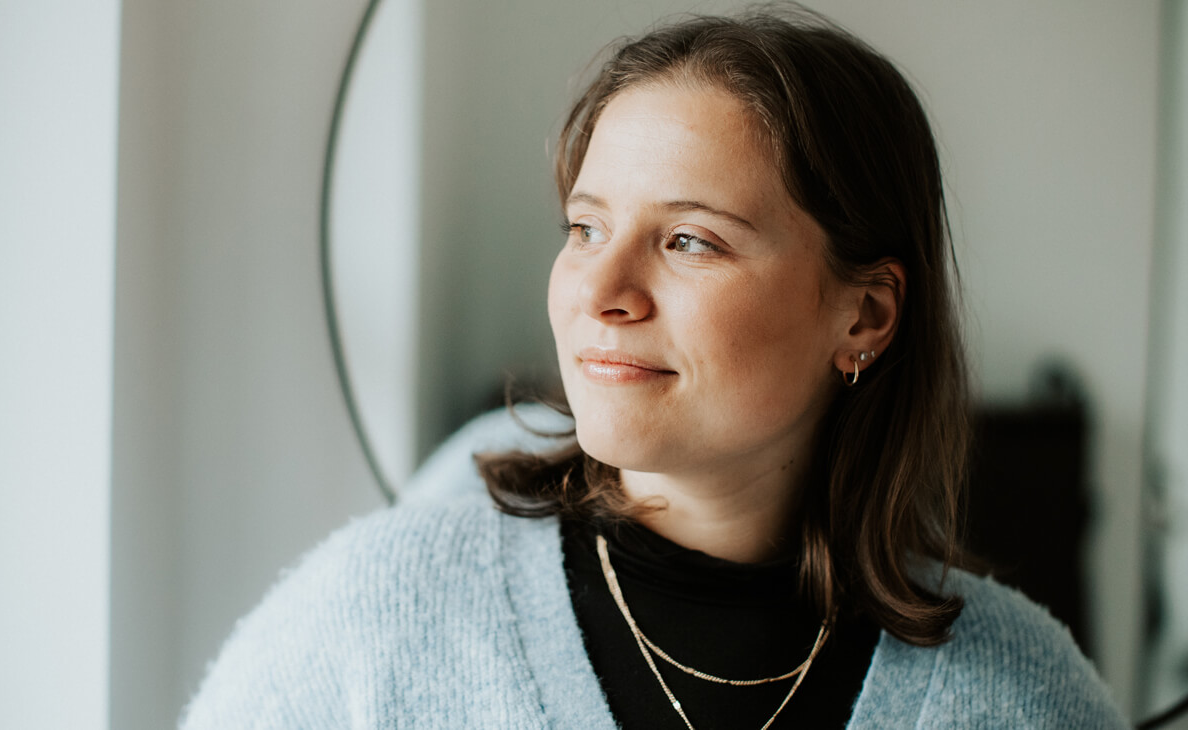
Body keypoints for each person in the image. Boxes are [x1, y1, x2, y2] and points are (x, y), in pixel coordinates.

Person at [180, 7, 1129, 728]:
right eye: (586, 227)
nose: (601, 289)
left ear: (866, 313)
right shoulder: (376, 618)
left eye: (688, 240)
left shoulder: (1022, 693)